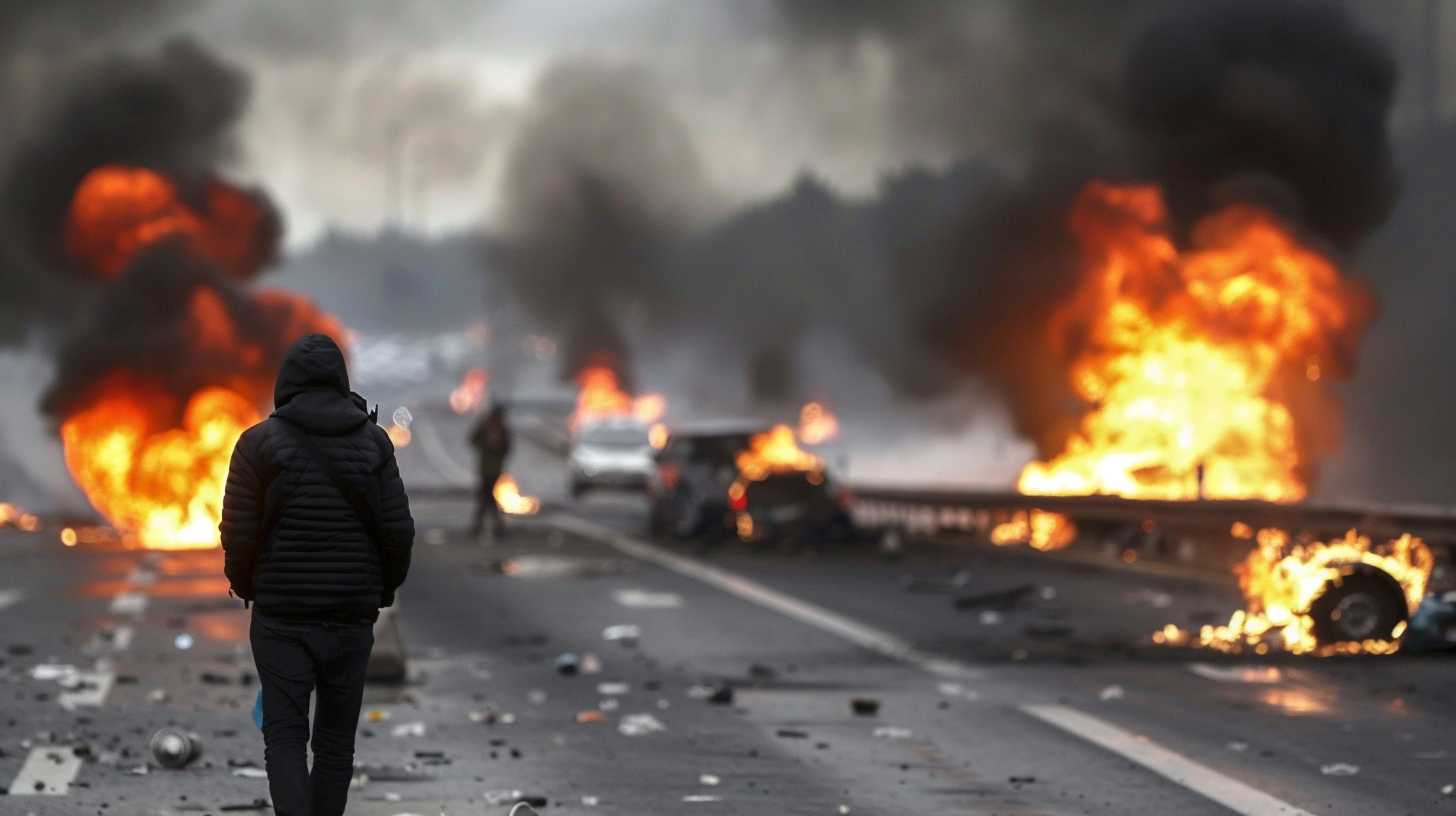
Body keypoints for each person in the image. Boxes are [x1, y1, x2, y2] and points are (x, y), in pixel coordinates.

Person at [220, 333, 415, 816]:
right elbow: (397, 532)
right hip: (350, 617)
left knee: (284, 735)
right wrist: (381, 591)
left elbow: (238, 533)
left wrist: (248, 587)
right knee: (334, 744)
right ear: (341, 380)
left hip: (281, 616)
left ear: (286, 384)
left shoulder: (257, 445)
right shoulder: (375, 444)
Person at [469, 403, 512, 541]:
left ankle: (483, 526)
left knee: (486, 497)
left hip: (494, 470)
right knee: (487, 497)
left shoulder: (502, 430)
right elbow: (473, 440)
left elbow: (506, 449)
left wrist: (495, 444)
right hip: (485, 469)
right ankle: (492, 526)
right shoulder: (486, 428)